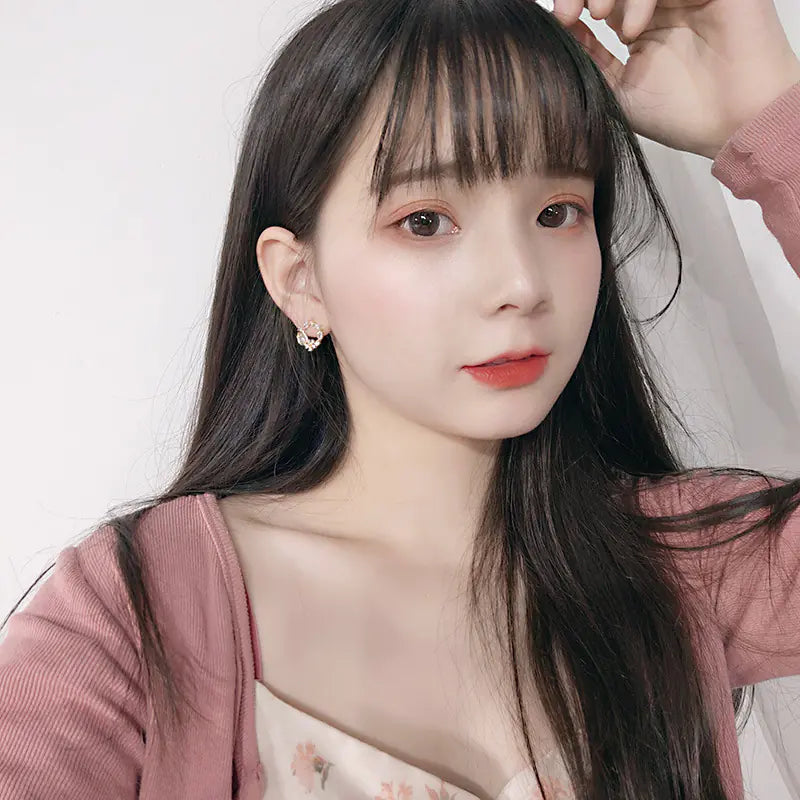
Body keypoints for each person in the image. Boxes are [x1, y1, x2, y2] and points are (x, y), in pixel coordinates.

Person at [1, 0, 799, 797]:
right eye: (425, 222)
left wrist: (769, 107)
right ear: (299, 280)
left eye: (557, 212)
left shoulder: (681, 565)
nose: (521, 282)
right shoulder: (136, 615)